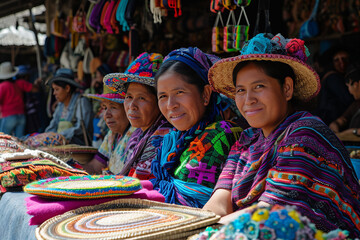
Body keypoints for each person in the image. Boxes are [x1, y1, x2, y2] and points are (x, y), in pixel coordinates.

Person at [203, 33, 360, 237]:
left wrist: (213, 230)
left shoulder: (306, 135)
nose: (248, 99)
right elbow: (219, 202)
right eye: (241, 90)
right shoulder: (246, 140)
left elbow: (271, 213)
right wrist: (203, 225)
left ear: (287, 88)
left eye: (259, 87)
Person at [150, 47, 243, 208]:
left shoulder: (221, 133)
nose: (170, 105)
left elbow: (186, 203)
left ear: (205, 94)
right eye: (163, 96)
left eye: (179, 92)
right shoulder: (171, 140)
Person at [103, 52, 172, 180]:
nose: (132, 106)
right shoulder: (138, 135)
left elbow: (136, 184)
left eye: (141, 98)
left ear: (159, 101)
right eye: (129, 97)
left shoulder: (162, 137)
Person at [82, 88, 136, 174]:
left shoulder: (136, 135)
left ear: (128, 108)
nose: (107, 114)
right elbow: (95, 166)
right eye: (105, 108)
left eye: (113, 107)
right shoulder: (112, 135)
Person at [45, 68, 93, 145]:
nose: (54, 93)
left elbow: (80, 128)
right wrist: (46, 136)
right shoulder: (60, 106)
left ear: (67, 88)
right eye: (53, 90)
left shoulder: (81, 102)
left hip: (79, 150)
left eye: (57, 89)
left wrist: (59, 136)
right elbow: (53, 125)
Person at [314, 46, 354, 125]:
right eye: (337, 60)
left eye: (344, 59)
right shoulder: (333, 78)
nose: (342, 63)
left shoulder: (341, 76)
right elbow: (348, 99)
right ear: (332, 63)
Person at [0, 62, 40, 138]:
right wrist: (37, 83)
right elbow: (35, 89)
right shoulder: (20, 83)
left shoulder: (2, 86)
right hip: (21, 116)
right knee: (20, 139)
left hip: (8, 116)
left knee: (3, 140)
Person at [330, 64, 360, 135]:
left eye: (348, 86)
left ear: (355, 84)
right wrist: (335, 126)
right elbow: (342, 120)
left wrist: (353, 132)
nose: (350, 92)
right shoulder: (356, 104)